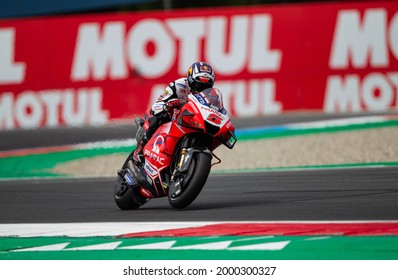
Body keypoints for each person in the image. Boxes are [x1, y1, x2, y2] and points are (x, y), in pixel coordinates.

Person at [133, 61, 216, 164]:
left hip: (192, 123)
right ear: (189, 80)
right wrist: (168, 105)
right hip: (172, 119)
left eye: (205, 87)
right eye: (198, 85)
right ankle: (140, 149)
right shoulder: (178, 85)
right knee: (157, 117)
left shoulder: (212, 96)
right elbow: (156, 106)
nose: (201, 90)